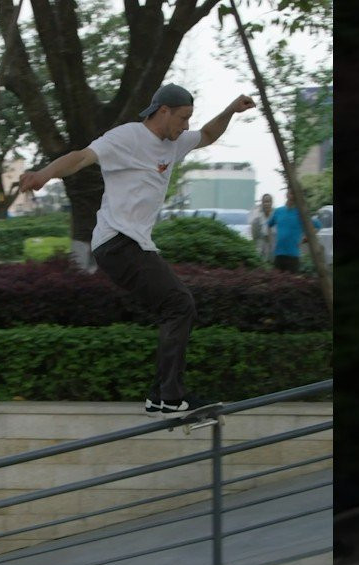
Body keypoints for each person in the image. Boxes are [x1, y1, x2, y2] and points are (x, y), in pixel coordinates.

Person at [20, 83, 257, 418]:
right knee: (180, 304)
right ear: (163, 111)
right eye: (182, 118)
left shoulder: (174, 144)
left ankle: (160, 397)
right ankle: (170, 396)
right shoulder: (127, 137)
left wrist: (231, 110)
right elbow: (81, 157)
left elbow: (207, 135)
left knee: (174, 308)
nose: (186, 126)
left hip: (131, 244)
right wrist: (44, 174)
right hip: (117, 242)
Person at [266, 189, 321, 273]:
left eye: (295, 194)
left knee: (292, 284)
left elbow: (318, 226)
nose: (292, 196)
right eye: (291, 193)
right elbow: (269, 225)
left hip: (293, 255)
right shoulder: (278, 211)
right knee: (276, 283)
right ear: (287, 194)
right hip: (279, 254)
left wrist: (305, 239)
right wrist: (271, 244)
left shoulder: (301, 213)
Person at [249, 193, 274, 262]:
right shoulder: (257, 218)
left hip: (273, 249)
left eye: (269, 201)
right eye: (265, 202)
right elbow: (255, 236)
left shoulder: (275, 217)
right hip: (260, 249)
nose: (267, 204)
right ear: (262, 203)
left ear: (272, 203)